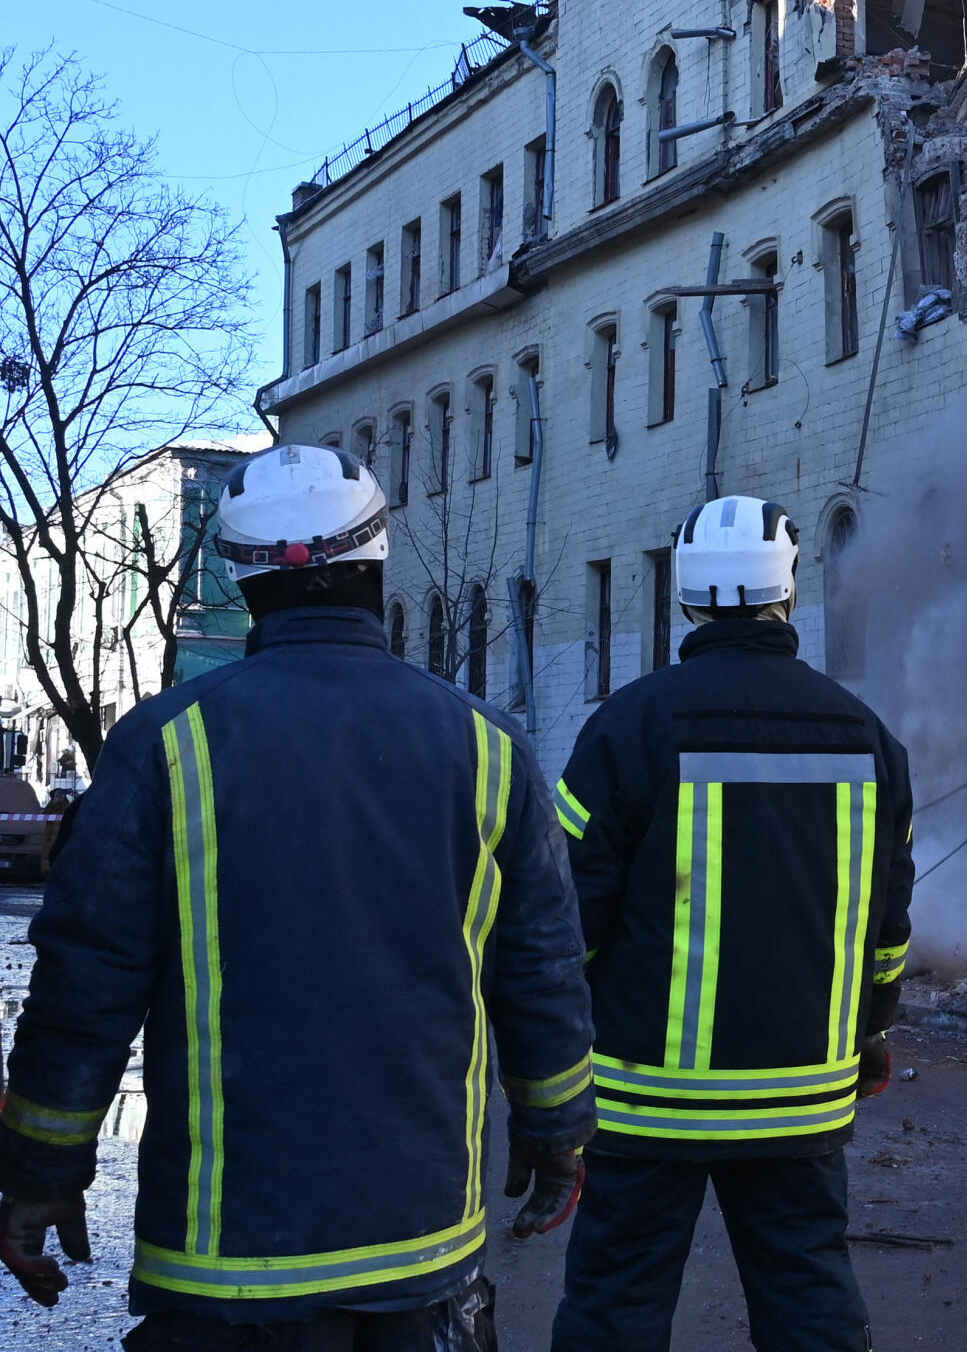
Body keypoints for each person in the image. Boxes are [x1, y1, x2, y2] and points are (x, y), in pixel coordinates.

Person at [0, 443, 595, 1347]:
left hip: (223, 1258)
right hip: (422, 1246)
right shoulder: (487, 745)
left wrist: (41, 1168)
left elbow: (85, 983)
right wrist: (558, 1130)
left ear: (241, 572)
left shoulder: (164, 744)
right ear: (375, 558)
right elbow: (542, 968)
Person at [550, 495, 914, 1352]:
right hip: (802, 1096)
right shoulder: (868, 737)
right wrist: (871, 1038)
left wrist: (553, 1071)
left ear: (686, 595)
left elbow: (567, 923)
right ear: (787, 588)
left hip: (647, 1102)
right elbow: (886, 931)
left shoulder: (627, 726)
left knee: (615, 1306)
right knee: (809, 1298)